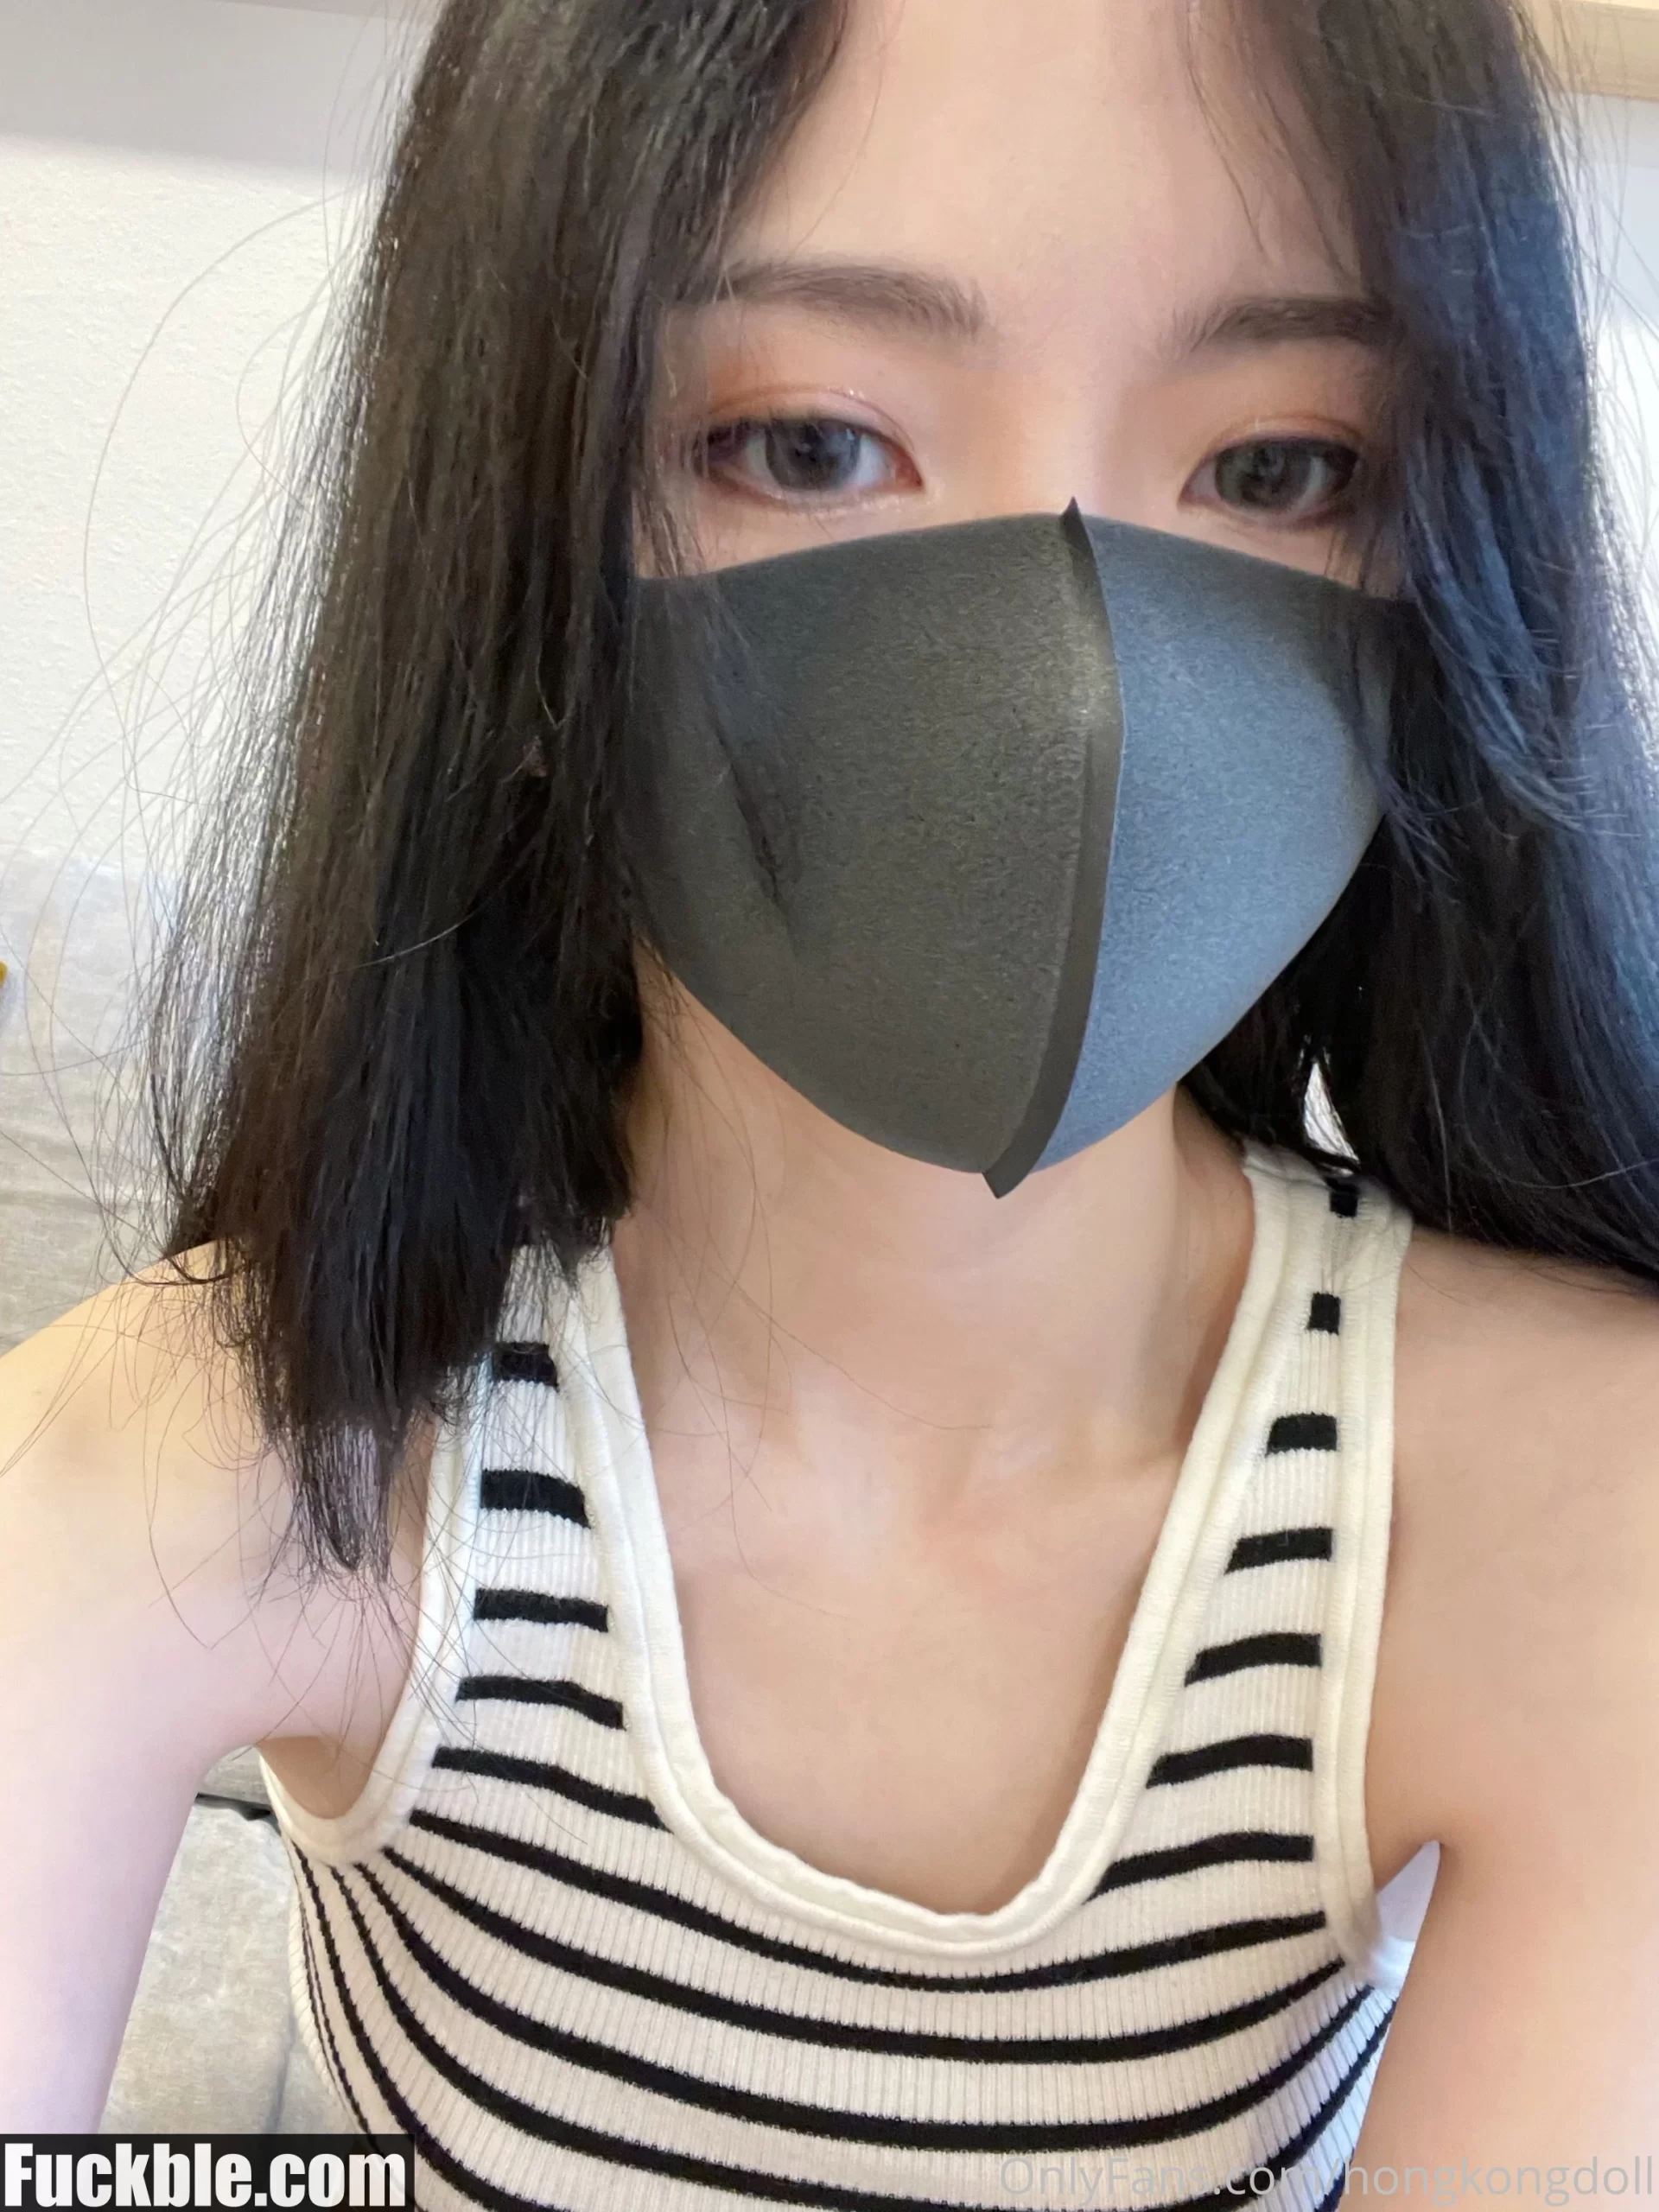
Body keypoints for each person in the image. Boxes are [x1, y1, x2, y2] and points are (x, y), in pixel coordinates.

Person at [3, 0, 1659, 2194]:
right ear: (511, 514)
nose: (1069, 697)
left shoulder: (1582, 1515)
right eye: (805, 441)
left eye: (1283, 467)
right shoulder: (220, 1455)